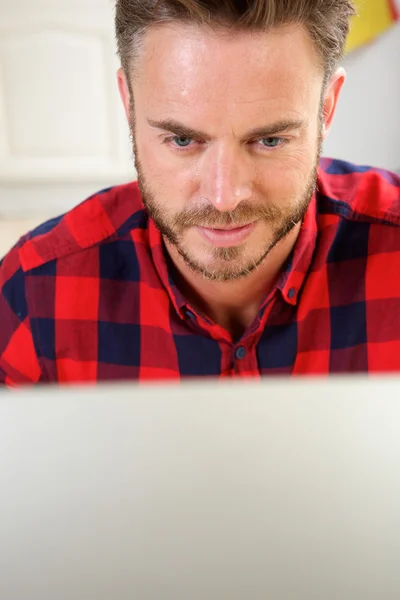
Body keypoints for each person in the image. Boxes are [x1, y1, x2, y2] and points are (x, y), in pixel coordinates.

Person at [1, 0, 399, 385]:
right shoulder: (35, 295)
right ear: (129, 104)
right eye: (182, 139)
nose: (224, 197)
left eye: (270, 140)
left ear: (326, 108)